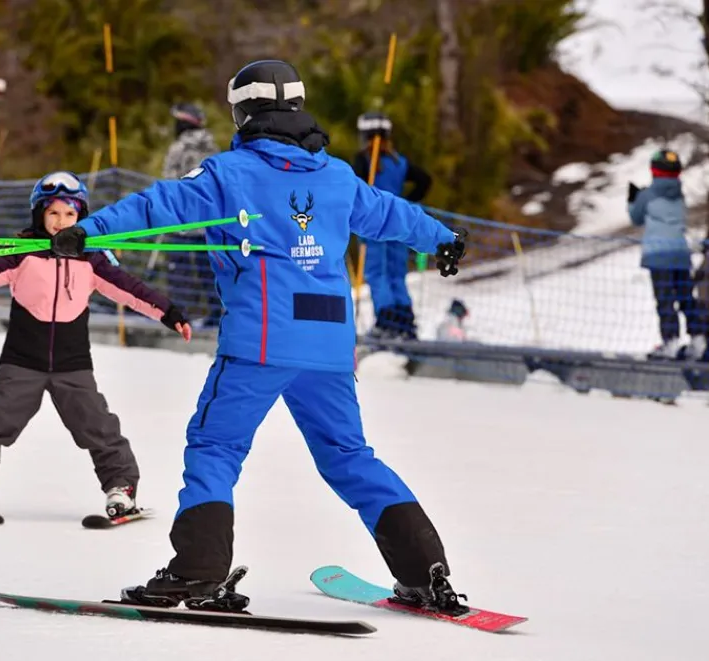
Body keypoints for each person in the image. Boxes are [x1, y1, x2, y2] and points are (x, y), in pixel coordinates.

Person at [50, 60, 469, 613]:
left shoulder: (230, 173)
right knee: (348, 453)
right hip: (329, 344)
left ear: (242, 111)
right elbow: (391, 214)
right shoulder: (337, 176)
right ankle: (425, 571)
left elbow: (159, 207)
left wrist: (87, 230)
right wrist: (443, 239)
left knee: (216, 444)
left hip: (263, 340)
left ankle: (197, 570)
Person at [0, 171, 193, 517]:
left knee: (98, 425)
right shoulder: (23, 255)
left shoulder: (91, 261)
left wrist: (170, 313)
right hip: (22, 360)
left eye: (70, 214)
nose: (61, 221)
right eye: (53, 213)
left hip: (73, 363)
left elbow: (132, 290)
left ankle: (120, 488)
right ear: (39, 215)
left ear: (80, 218)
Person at [352, 111, 433, 340]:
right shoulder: (399, 162)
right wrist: (408, 203)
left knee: (378, 274)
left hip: (373, 227)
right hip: (399, 226)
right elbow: (425, 180)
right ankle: (405, 321)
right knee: (397, 274)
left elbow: (354, 189)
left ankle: (387, 323)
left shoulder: (364, 161)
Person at [628, 149, 707, 360]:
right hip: (680, 253)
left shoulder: (646, 194)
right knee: (686, 298)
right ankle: (698, 339)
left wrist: (632, 199)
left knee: (665, 300)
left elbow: (636, 218)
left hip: (658, 254)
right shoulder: (680, 195)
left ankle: (670, 342)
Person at [159, 102, 223, 327]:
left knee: (179, 274)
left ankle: (179, 319)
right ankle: (216, 315)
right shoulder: (212, 147)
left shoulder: (179, 149)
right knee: (210, 272)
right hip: (209, 223)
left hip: (182, 223)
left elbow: (169, 183)